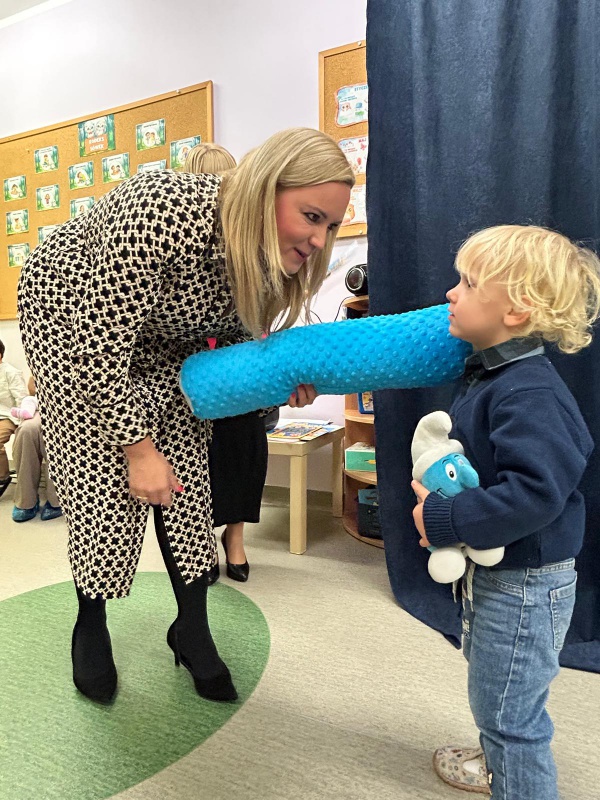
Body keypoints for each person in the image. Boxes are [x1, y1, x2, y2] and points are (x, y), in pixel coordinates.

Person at [18, 127, 354, 705]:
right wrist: (139, 450)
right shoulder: (163, 212)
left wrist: (277, 387)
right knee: (101, 480)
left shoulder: (266, 258)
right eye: (311, 216)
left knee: (188, 482)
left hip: (167, 336)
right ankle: (90, 624)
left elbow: (232, 354)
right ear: (267, 189)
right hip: (70, 318)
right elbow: (100, 347)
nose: (319, 239)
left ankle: (192, 628)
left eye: (331, 226)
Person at [411, 225, 600, 800]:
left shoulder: (529, 393)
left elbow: (535, 493)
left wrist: (443, 520)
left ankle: (513, 772)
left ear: (515, 311)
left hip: (525, 584)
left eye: (468, 283)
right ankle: (495, 757)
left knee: (511, 715)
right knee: (495, 686)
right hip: (500, 573)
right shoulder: (494, 374)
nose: (451, 293)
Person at [183, 141, 272, 584]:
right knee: (191, 450)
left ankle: (234, 536)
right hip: (186, 372)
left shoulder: (246, 247)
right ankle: (197, 540)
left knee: (246, 440)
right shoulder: (179, 240)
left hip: (236, 368)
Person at [11, 377, 62, 522]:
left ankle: (57, 500)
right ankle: (26, 500)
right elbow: (32, 388)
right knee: (26, 430)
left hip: (69, 411)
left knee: (53, 431)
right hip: (41, 406)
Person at [0, 339, 28, 500]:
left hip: (7, 416)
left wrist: (22, 423)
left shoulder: (11, 372)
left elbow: (22, 399)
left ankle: (2, 476)